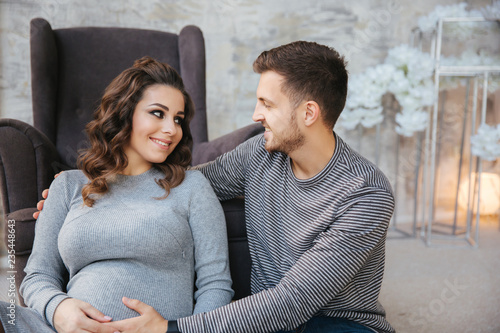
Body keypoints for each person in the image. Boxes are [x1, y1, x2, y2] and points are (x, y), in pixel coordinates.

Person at [37, 41, 395, 333]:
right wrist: (78, 190)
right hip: (267, 321)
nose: (256, 115)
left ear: (309, 113)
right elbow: (183, 181)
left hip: (336, 323)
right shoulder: (260, 156)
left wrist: (172, 330)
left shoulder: (366, 194)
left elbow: (294, 301)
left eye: (267, 104)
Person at [0, 56, 233, 333]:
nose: (172, 130)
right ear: (125, 113)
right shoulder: (67, 186)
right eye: (158, 113)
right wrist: (58, 309)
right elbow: (38, 276)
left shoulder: (191, 186)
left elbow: (216, 286)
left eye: (178, 119)